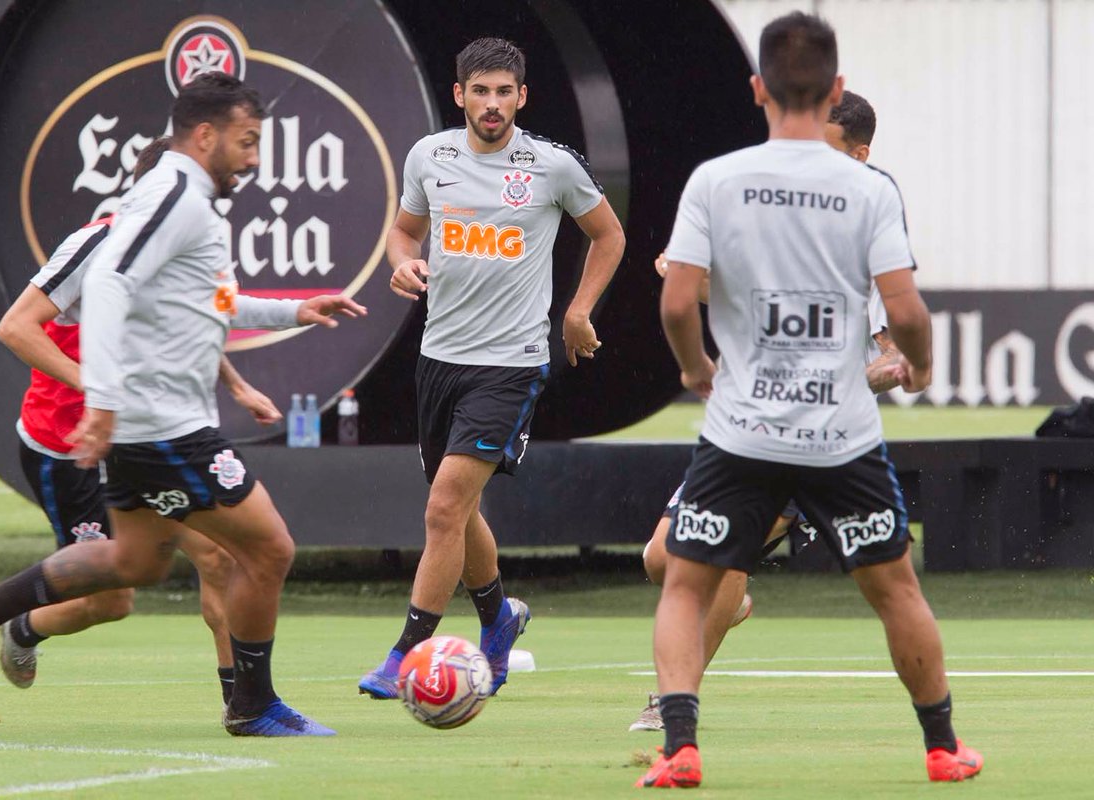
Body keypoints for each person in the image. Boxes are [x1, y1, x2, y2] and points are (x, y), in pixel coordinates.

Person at [0, 72, 366, 737]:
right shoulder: (177, 196)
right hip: (164, 424)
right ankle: (252, 706)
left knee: (132, 564)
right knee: (269, 549)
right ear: (206, 135)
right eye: (247, 141)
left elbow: (211, 302)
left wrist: (293, 311)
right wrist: (104, 396)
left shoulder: (181, 199)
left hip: (147, 423)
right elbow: (110, 280)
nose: (253, 159)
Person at [637, 13, 982, 787]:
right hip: (839, 435)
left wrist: (694, 368)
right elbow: (906, 311)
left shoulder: (715, 180)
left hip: (742, 429)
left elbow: (676, 300)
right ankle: (942, 747)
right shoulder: (868, 188)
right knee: (895, 589)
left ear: (758, 88)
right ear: (835, 88)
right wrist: (921, 366)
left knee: (683, 583)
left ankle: (679, 748)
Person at [629, 88, 906, 733]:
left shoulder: (873, 233)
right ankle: (729, 610)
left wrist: (856, 376)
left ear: (859, 156)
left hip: (819, 435)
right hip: (746, 418)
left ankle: (673, 702)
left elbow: (895, 357)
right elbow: (740, 295)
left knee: (728, 553)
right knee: (660, 559)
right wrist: (685, 276)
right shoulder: (783, 213)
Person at [358, 37, 625, 699]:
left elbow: (609, 234)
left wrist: (577, 311)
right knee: (457, 507)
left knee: (445, 506)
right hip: (439, 358)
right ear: (460, 95)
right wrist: (402, 260)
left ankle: (405, 653)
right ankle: (498, 617)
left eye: (504, 92)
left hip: (510, 364)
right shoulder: (430, 156)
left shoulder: (551, 165)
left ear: (522, 97)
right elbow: (403, 231)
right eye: (480, 91)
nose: (492, 104)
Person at [0, 136, 279, 708]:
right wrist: (97, 389)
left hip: (143, 436)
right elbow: (14, 328)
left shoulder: (173, 246)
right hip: (67, 445)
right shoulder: (97, 243)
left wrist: (236, 384)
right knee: (111, 601)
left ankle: (242, 704)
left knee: (219, 556)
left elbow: (191, 320)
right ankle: (19, 626)